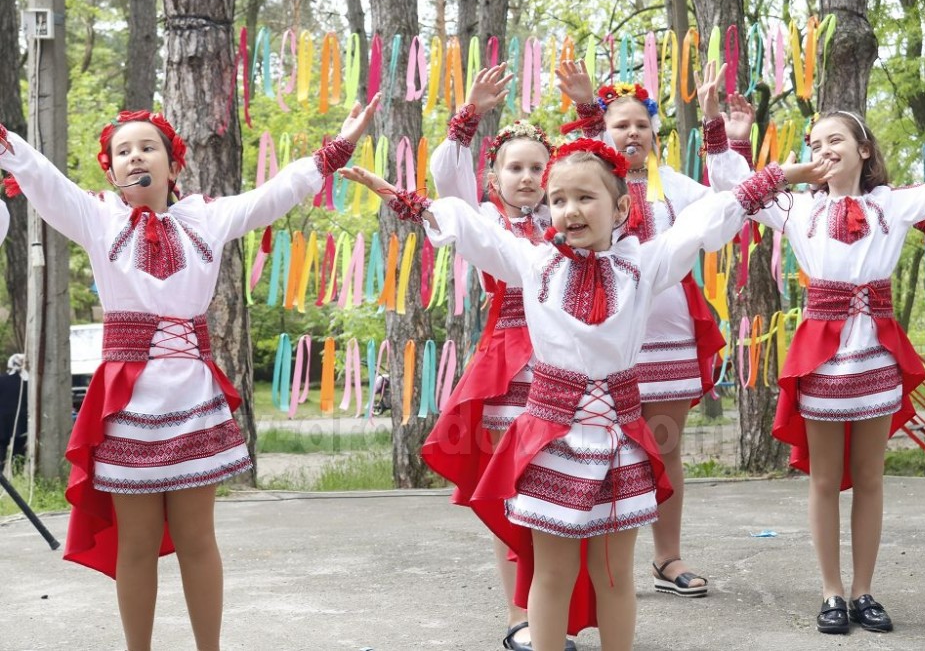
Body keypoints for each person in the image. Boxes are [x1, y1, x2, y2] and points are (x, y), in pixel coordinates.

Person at [343, 137, 820, 650]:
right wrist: (402, 198)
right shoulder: (533, 263)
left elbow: (705, 222)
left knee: (615, 577)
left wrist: (782, 176)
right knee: (551, 575)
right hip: (550, 441)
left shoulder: (644, 264)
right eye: (559, 199)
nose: (570, 209)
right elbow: (472, 230)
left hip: (620, 440)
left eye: (585, 197)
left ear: (620, 207)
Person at [0, 97, 378, 651]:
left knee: (200, 539)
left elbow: (270, 197)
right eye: (122, 151)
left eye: (147, 147)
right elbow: (45, 179)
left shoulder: (204, 217)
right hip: (127, 406)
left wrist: (334, 150)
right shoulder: (98, 215)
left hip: (192, 399)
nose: (135, 158)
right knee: (137, 542)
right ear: (110, 169)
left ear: (173, 165)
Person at [703, 58, 925, 634]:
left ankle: (865, 592)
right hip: (821, 358)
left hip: (876, 358)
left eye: (835, 138)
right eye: (815, 141)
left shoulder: (894, 204)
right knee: (821, 479)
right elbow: (735, 191)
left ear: (864, 150)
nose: (824, 147)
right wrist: (724, 134)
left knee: (869, 477)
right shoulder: (797, 208)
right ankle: (832, 592)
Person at [556, 60, 725, 597]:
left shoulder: (678, 188)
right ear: (603, 132)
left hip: (667, 333)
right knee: (595, 446)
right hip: (602, 335)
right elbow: (569, 172)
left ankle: (667, 559)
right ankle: (594, 564)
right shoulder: (584, 186)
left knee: (665, 445)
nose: (631, 133)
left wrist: (728, 135)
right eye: (619, 125)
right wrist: (586, 108)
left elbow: (732, 203)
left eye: (640, 124)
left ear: (655, 132)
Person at [418, 64, 564, 651]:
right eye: (516, 167)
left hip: (562, 364)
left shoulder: (566, 220)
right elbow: (445, 182)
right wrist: (467, 117)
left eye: (538, 168)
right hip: (508, 368)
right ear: (494, 178)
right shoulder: (483, 220)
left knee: (556, 492)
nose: (527, 178)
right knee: (511, 496)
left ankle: (557, 610)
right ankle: (518, 618)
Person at [0, 353, 27, 475]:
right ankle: (17, 472)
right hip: (20, 421)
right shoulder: (27, 382)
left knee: (2, 447)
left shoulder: (2, 380)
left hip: (3, 421)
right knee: (18, 449)